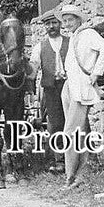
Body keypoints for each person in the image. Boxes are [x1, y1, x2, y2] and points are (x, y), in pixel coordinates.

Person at [58, 5, 104, 187]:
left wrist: (96, 73)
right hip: (70, 86)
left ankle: (70, 176)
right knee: (80, 130)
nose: (66, 24)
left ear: (78, 19)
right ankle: (83, 170)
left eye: (70, 20)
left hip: (81, 87)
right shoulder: (75, 36)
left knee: (70, 132)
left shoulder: (88, 34)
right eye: (64, 21)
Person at [28, 10, 68, 172]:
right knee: (55, 122)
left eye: (54, 23)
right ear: (44, 27)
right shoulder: (40, 47)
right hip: (51, 88)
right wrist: (28, 81)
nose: (51, 27)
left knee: (73, 120)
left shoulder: (71, 42)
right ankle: (56, 159)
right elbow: (33, 68)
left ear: (60, 24)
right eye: (48, 24)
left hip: (69, 87)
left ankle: (78, 157)